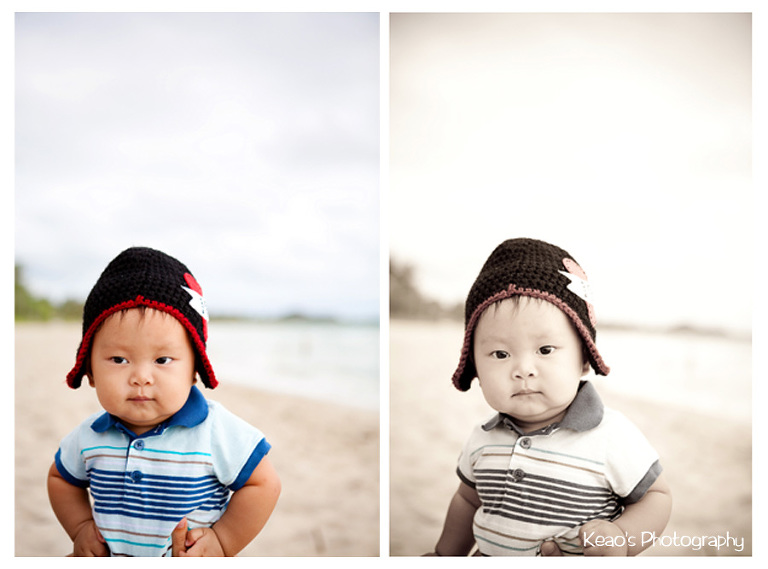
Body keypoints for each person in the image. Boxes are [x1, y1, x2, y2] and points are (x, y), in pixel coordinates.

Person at [428, 238, 671, 556]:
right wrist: (445, 554)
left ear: (584, 358)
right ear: (474, 364)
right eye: (500, 354)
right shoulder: (482, 439)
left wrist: (621, 537)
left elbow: (657, 496)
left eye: (545, 350)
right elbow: (468, 500)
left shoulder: (610, 436)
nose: (523, 369)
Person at [47, 247, 281, 556]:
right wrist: (79, 527)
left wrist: (223, 541)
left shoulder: (214, 432)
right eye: (118, 359)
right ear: (90, 371)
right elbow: (59, 478)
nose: (141, 377)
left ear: (193, 370)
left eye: (162, 359)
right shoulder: (90, 436)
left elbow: (264, 484)